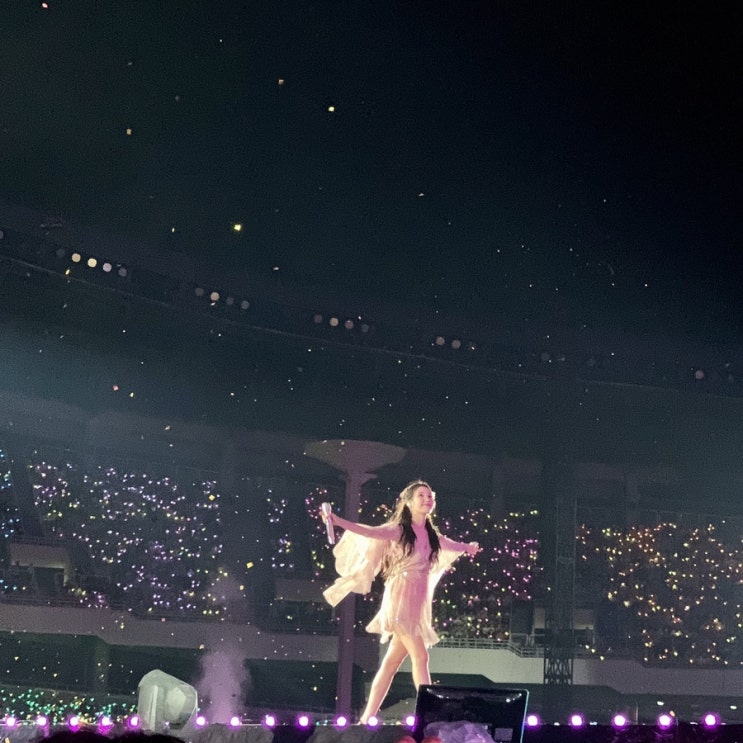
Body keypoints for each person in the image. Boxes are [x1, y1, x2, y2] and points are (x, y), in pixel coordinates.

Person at [321, 479, 481, 723]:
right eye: (421, 496)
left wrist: (468, 547)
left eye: (429, 496)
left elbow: (451, 545)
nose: (427, 499)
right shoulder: (399, 530)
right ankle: (430, 713)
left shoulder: (432, 535)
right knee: (421, 656)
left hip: (418, 602)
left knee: (391, 664)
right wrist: (339, 521)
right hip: (401, 597)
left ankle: (366, 718)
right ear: (408, 502)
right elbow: (370, 532)